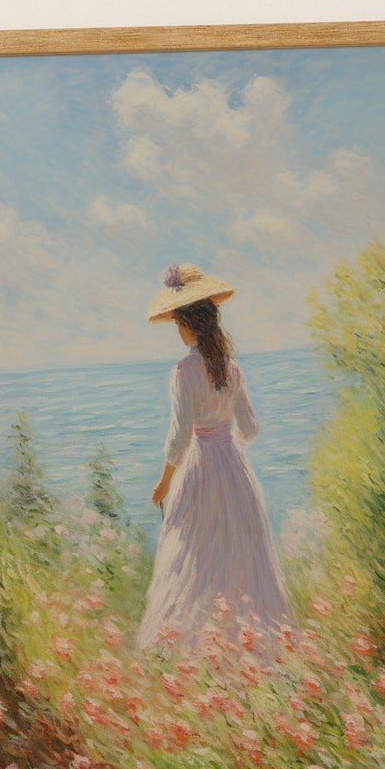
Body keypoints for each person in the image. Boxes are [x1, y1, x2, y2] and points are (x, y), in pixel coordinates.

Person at [135, 264, 291, 650]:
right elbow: (251, 429)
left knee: (195, 553)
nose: (178, 331)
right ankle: (247, 641)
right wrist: (226, 440)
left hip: (200, 468)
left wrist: (164, 481)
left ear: (189, 325)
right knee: (237, 550)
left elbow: (180, 435)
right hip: (233, 469)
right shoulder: (232, 369)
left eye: (178, 324)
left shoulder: (184, 371)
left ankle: (191, 644)